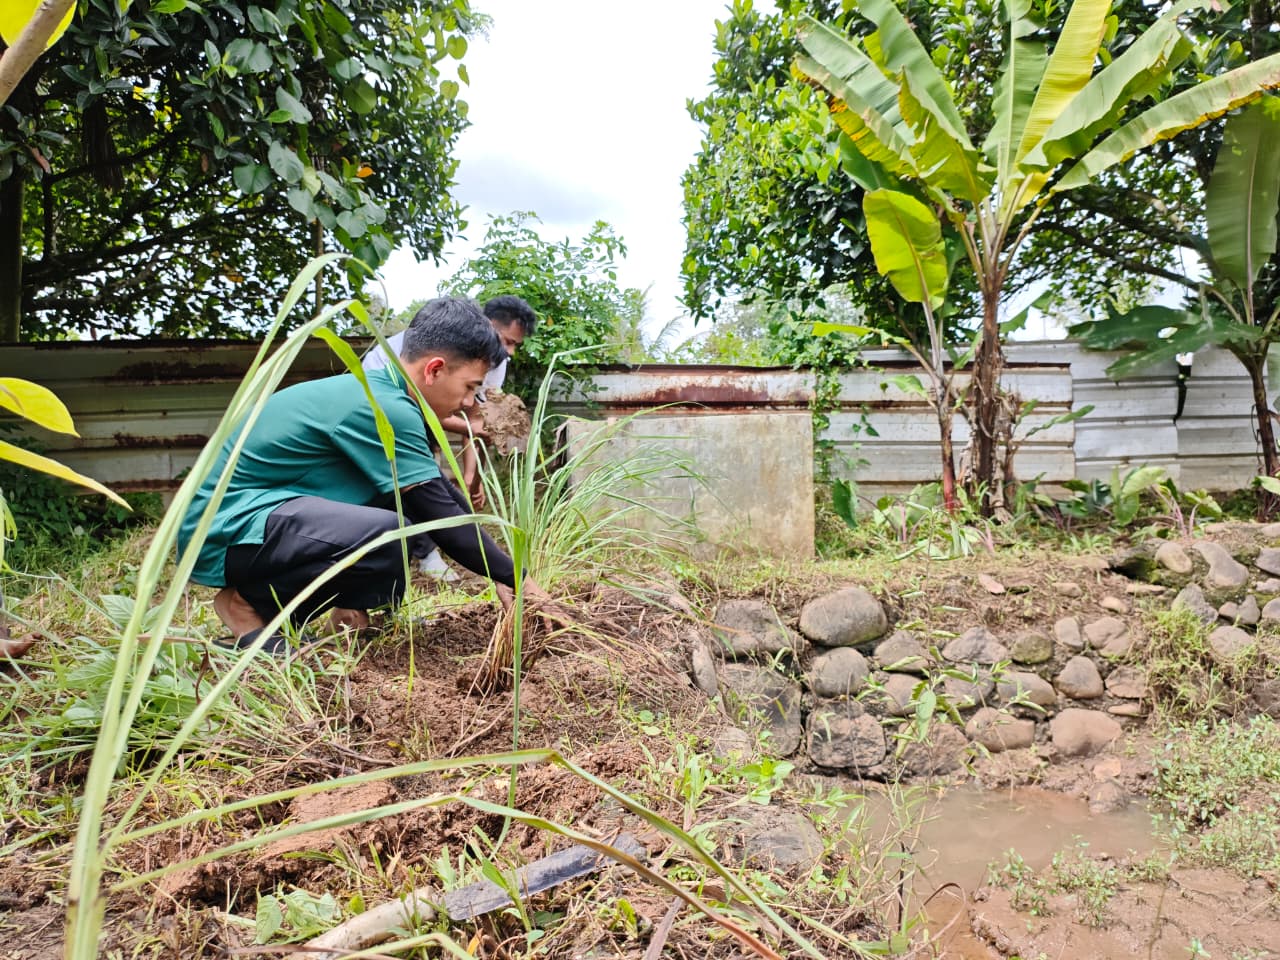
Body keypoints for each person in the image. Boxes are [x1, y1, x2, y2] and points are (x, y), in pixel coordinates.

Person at [178, 297, 545, 652]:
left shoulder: (385, 394)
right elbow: (440, 516)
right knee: (388, 532)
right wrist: (517, 578)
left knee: (399, 511)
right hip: (227, 528)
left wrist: (505, 571)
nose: (468, 403)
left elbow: (441, 497)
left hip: (262, 521)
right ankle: (248, 606)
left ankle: (346, 615)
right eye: (470, 387)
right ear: (434, 369)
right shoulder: (385, 406)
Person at [363, 295, 536, 506]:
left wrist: (471, 477)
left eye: (516, 344)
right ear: (489, 325)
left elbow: (475, 417)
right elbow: (416, 408)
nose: (510, 351)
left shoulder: (496, 360)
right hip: (383, 411)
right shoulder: (446, 346)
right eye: (508, 341)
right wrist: (470, 429)